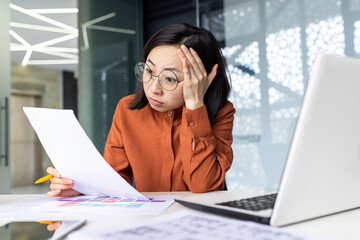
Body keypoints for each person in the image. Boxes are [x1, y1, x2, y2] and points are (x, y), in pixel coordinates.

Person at [46, 23, 235, 197]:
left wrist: (195, 105)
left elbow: (203, 184)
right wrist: (80, 187)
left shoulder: (221, 113)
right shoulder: (127, 109)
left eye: (170, 79)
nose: (153, 88)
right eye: (149, 71)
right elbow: (115, 179)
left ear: (201, 80)